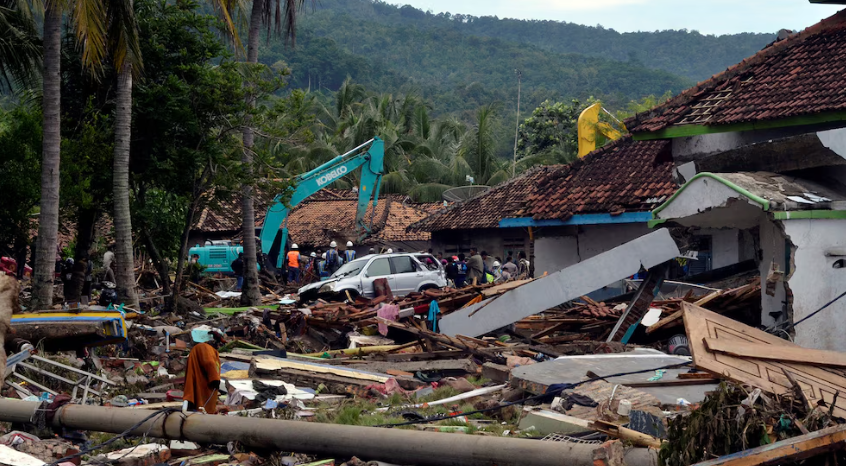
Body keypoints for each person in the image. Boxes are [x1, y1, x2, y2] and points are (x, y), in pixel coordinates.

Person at [183, 329, 225, 414]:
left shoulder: (202, 348)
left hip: (202, 380)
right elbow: (209, 362)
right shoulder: (205, 347)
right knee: (204, 405)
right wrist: (215, 379)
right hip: (203, 383)